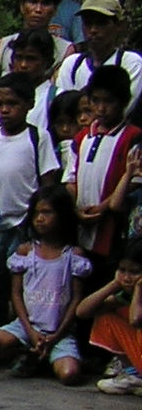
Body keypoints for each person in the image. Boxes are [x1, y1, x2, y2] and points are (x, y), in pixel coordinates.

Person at [0, 183, 91, 382]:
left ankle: (47, 357)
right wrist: (30, 332)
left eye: (47, 213)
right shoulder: (26, 252)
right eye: (36, 213)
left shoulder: (73, 256)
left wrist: (57, 335)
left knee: (70, 374)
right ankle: (28, 351)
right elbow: (16, 294)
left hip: (59, 330)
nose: (40, 219)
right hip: (27, 327)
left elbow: (76, 299)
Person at [0, 72, 61, 258]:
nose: (4, 110)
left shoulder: (38, 137)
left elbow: (48, 183)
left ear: (30, 104)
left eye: (12, 104)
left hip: (24, 223)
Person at [66, 68, 136, 271]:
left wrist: (102, 207)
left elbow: (133, 183)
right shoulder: (81, 138)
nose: (101, 108)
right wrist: (75, 209)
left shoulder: (132, 137)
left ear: (123, 101)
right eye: (96, 101)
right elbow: (71, 179)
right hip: (80, 229)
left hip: (114, 232)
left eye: (109, 102)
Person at [53, 0, 142, 96]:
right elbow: (62, 106)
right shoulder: (72, 65)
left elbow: (121, 108)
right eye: (88, 23)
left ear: (119, 26)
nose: (93, 30)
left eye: (101, 23)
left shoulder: (131, 63)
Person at [82, 238, 142, 392]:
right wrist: (114, 284)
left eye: (134, 272)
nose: (127, 278)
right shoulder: (124, 294)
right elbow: (82, 311)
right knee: (104, 316)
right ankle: (133, 375)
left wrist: (139, 289)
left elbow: (136, 320)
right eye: (122, 270)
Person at [0, 0, 74, 72]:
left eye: (45, 3)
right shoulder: (0, 48)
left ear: (55, 10)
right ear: (22, 6)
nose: (38, 9)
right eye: (33, 2)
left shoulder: (65, 50)